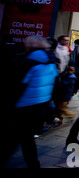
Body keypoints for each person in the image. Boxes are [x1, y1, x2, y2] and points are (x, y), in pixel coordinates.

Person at [3, 36, 58, 168]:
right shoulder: (51, 62)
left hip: (23, 106)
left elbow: (16, 85)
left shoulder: (27, 62)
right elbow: (56, 85)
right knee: (26, 138)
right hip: (40, 107)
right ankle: (33, 164)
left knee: (14, 139)